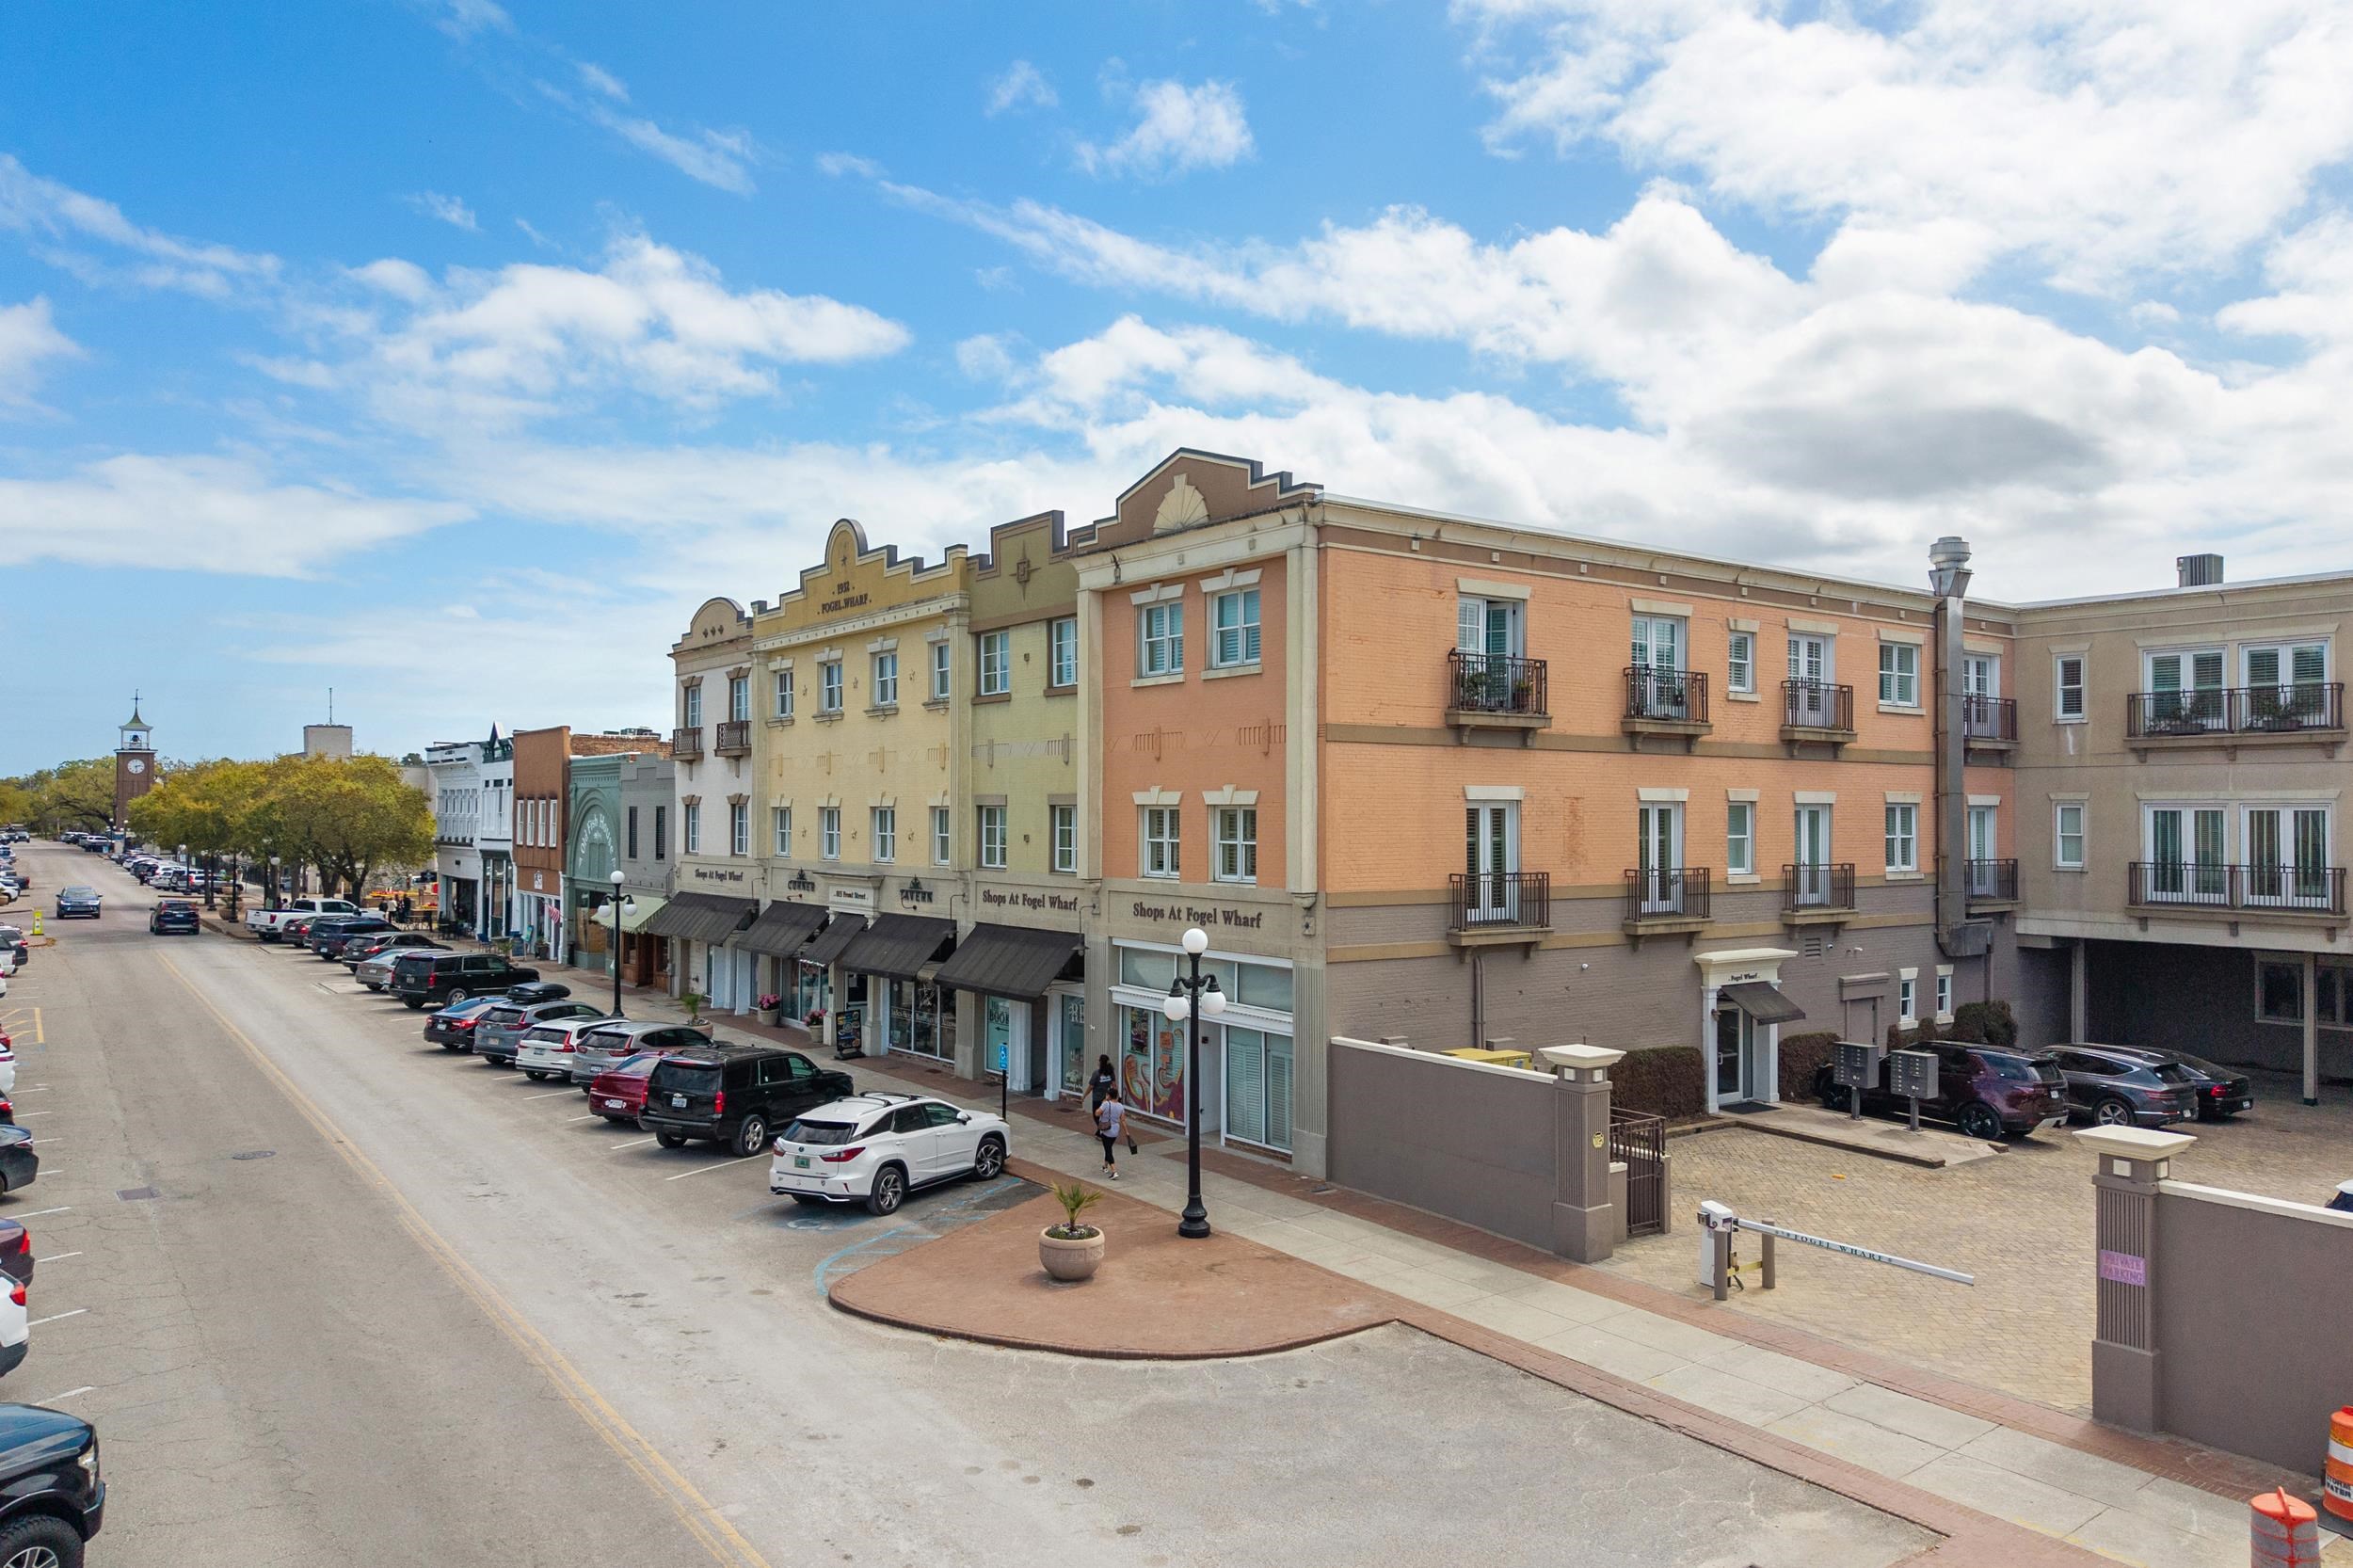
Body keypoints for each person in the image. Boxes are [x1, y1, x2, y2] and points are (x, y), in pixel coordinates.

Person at [1095, 1090, 1125, 1180]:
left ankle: (1114, 1171)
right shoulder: (1121, 1106)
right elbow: (1123, 1119)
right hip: (1115, 1130)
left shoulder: (1106, 1104)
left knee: (1108, 1150)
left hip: (1106, 1129)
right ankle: (1105, 1166)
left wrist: (1104, 1102)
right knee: (1108, 1147)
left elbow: (1097, 1113)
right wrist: (1127, 1132)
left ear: (1109, 1096)